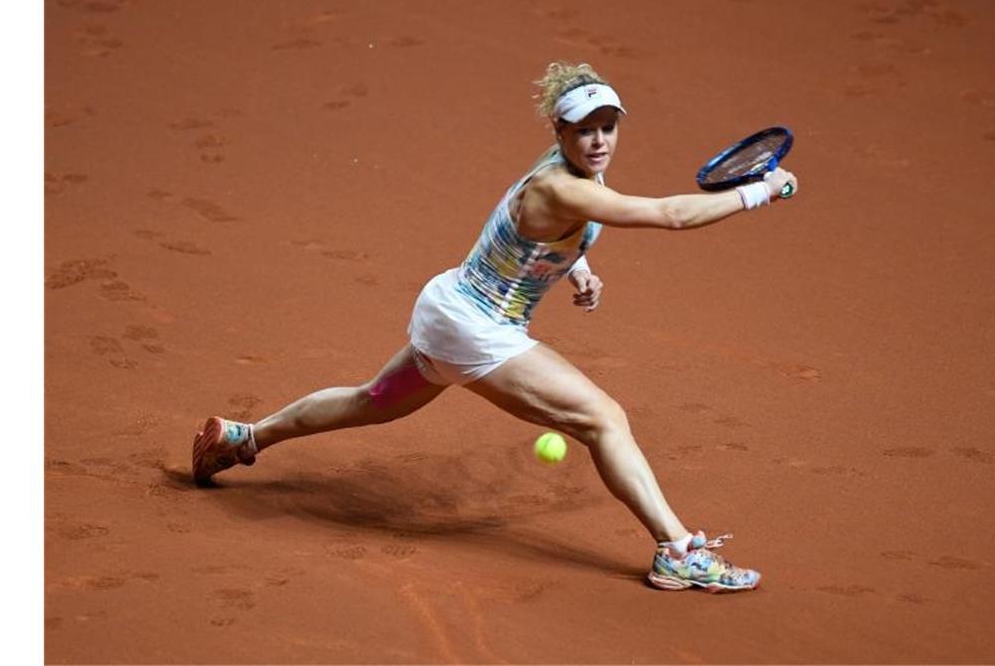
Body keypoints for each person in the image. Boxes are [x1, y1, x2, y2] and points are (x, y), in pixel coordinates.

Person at [192, 62, 797, 593]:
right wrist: (760, 192)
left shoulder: (567, 173)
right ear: (560, 133)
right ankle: (677, 551)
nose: (598, 140)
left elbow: (537, 231)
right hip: (478, 328)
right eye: (584, 129)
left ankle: (244, 437)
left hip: (450, 306)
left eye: (608, 127)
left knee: (371, 401)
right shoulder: (562, 185)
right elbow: (667, 214)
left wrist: (577, 264)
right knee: (603, 418)